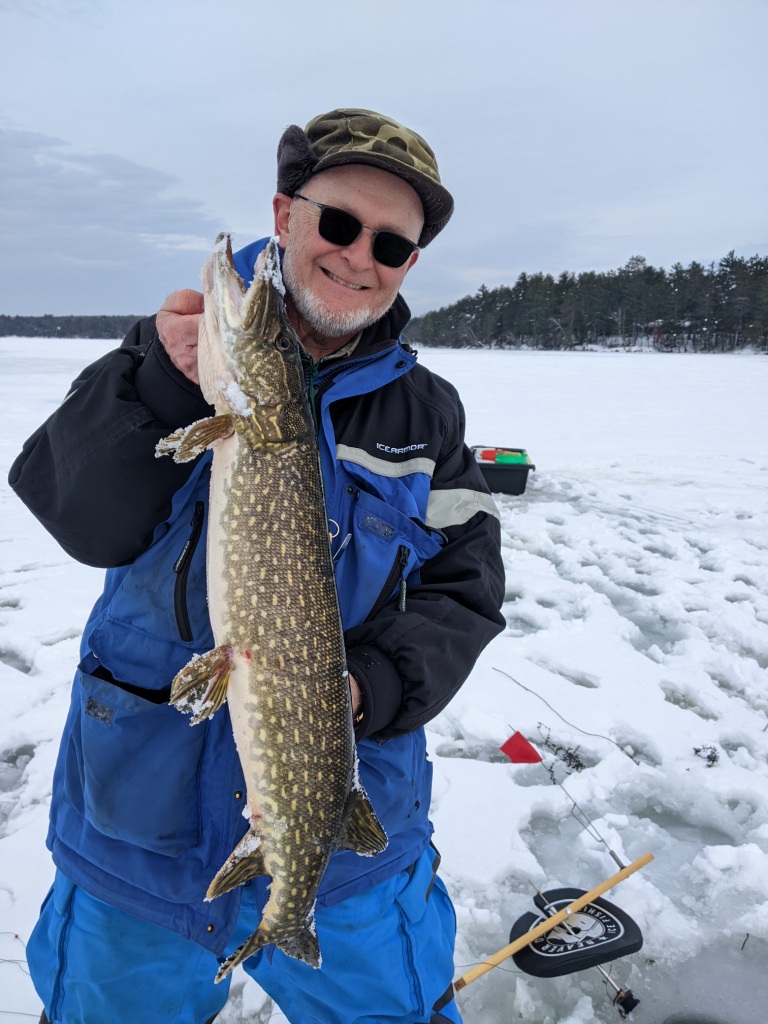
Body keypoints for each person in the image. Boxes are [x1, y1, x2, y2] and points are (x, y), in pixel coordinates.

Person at [9, 108, 506, 1024]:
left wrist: (366, 688)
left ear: (408, 266)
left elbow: (465, 592)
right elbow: (77, 517)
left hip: (354, 843)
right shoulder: (169, 365)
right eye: (340, 223)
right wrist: (159, 382)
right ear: (285, 214)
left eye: (390, 245)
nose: (360, 257)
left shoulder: (428, 415)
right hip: (137, 836)